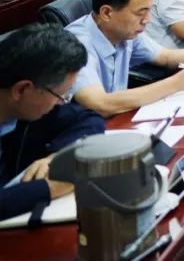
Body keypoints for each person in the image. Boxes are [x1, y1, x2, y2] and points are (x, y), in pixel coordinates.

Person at [0, 24, 105, 221]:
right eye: (60, 95)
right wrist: (50, 187)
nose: (61, 102)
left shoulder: (25, 107)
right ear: (21, 89)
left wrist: (57, 158)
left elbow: (89, 118)